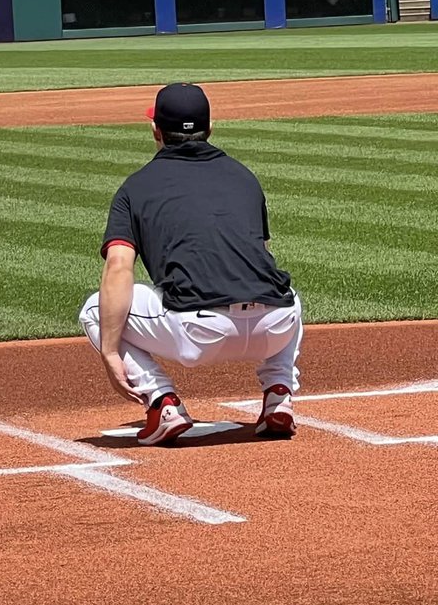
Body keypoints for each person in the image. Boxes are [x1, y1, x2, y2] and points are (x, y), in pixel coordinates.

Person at [78, 82, 302, 446]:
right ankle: (279, 393)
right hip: (275, 326)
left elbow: (118, 267)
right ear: (210, 127)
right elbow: (260, 254)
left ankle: (161, 401)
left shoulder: (136, 187)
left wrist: (110, 352)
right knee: (286, 291)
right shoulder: (244, 176)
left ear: (156, 130)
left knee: (94, 309)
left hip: (199, 333)